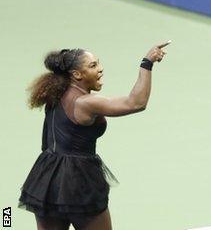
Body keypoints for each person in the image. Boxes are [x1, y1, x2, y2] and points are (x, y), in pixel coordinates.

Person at [19, 43, 170, 229]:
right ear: (76, 75)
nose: (100, 69)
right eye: (93, 66)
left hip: (47, 180)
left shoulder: (55, 93)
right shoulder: (85, 103)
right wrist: (147, 63)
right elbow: (136, 103)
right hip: (78, 182)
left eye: (98, 63)